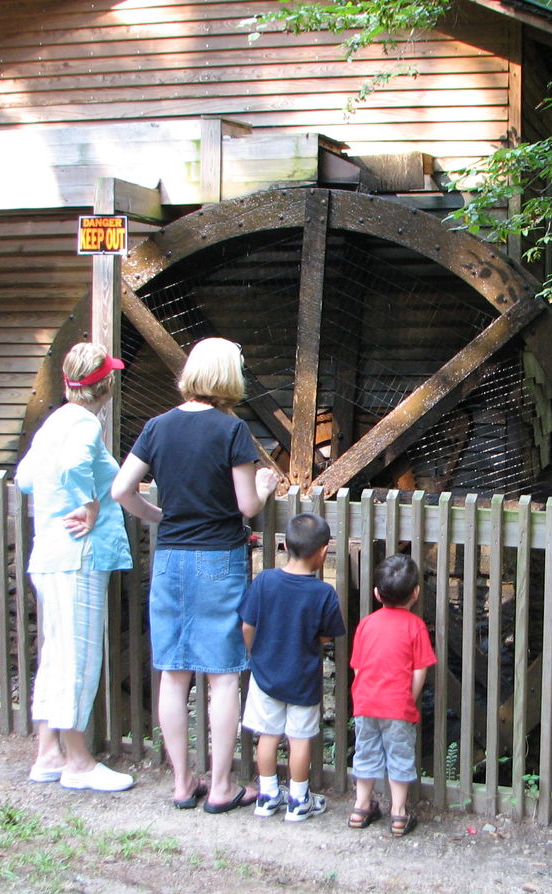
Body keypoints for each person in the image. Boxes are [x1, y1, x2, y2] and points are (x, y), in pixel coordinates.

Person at [111, 336, 279, 813]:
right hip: (217, 560)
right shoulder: (232, 431)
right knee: (223, 675)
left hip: (170, 560)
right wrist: (264, 487)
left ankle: (183, 782)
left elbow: (122, 489)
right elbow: (246, 507)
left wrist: (158, 515)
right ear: (230, 376)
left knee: (173, 672)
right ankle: (222, 786)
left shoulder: (157, 427)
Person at [16, 341, 149, 792]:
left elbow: (26, 479)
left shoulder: (53, 422)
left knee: (56, 654)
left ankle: (47, 754)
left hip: (50, 553)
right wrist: (88, 502)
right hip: (79, 556)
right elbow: (75, 465)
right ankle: (78, 762)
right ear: (105, 385)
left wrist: (61, 501)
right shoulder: (84, 425)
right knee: (79, 658)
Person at [238, 512, 345, 821]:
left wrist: (254, 653)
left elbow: (247, 625)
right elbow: (326, 634)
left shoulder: (265, 581)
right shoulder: (324, 593)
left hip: (265, 674)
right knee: (299, 739)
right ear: (324, 552)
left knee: (268, 736)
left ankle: (267, 795)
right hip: (303, 678)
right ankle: (299, 800)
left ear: (284, 546)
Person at [348, 553, 436, 837]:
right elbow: (420, 669)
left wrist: (362, 696)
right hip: (397, 707)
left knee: (365, 753)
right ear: (416, 593)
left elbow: (358, 668)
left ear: (376, 593)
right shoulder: (415, 626)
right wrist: (407, 696)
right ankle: (398, 813)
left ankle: (361, 807)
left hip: (365, 704)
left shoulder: (366, 624)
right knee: (399, 757)